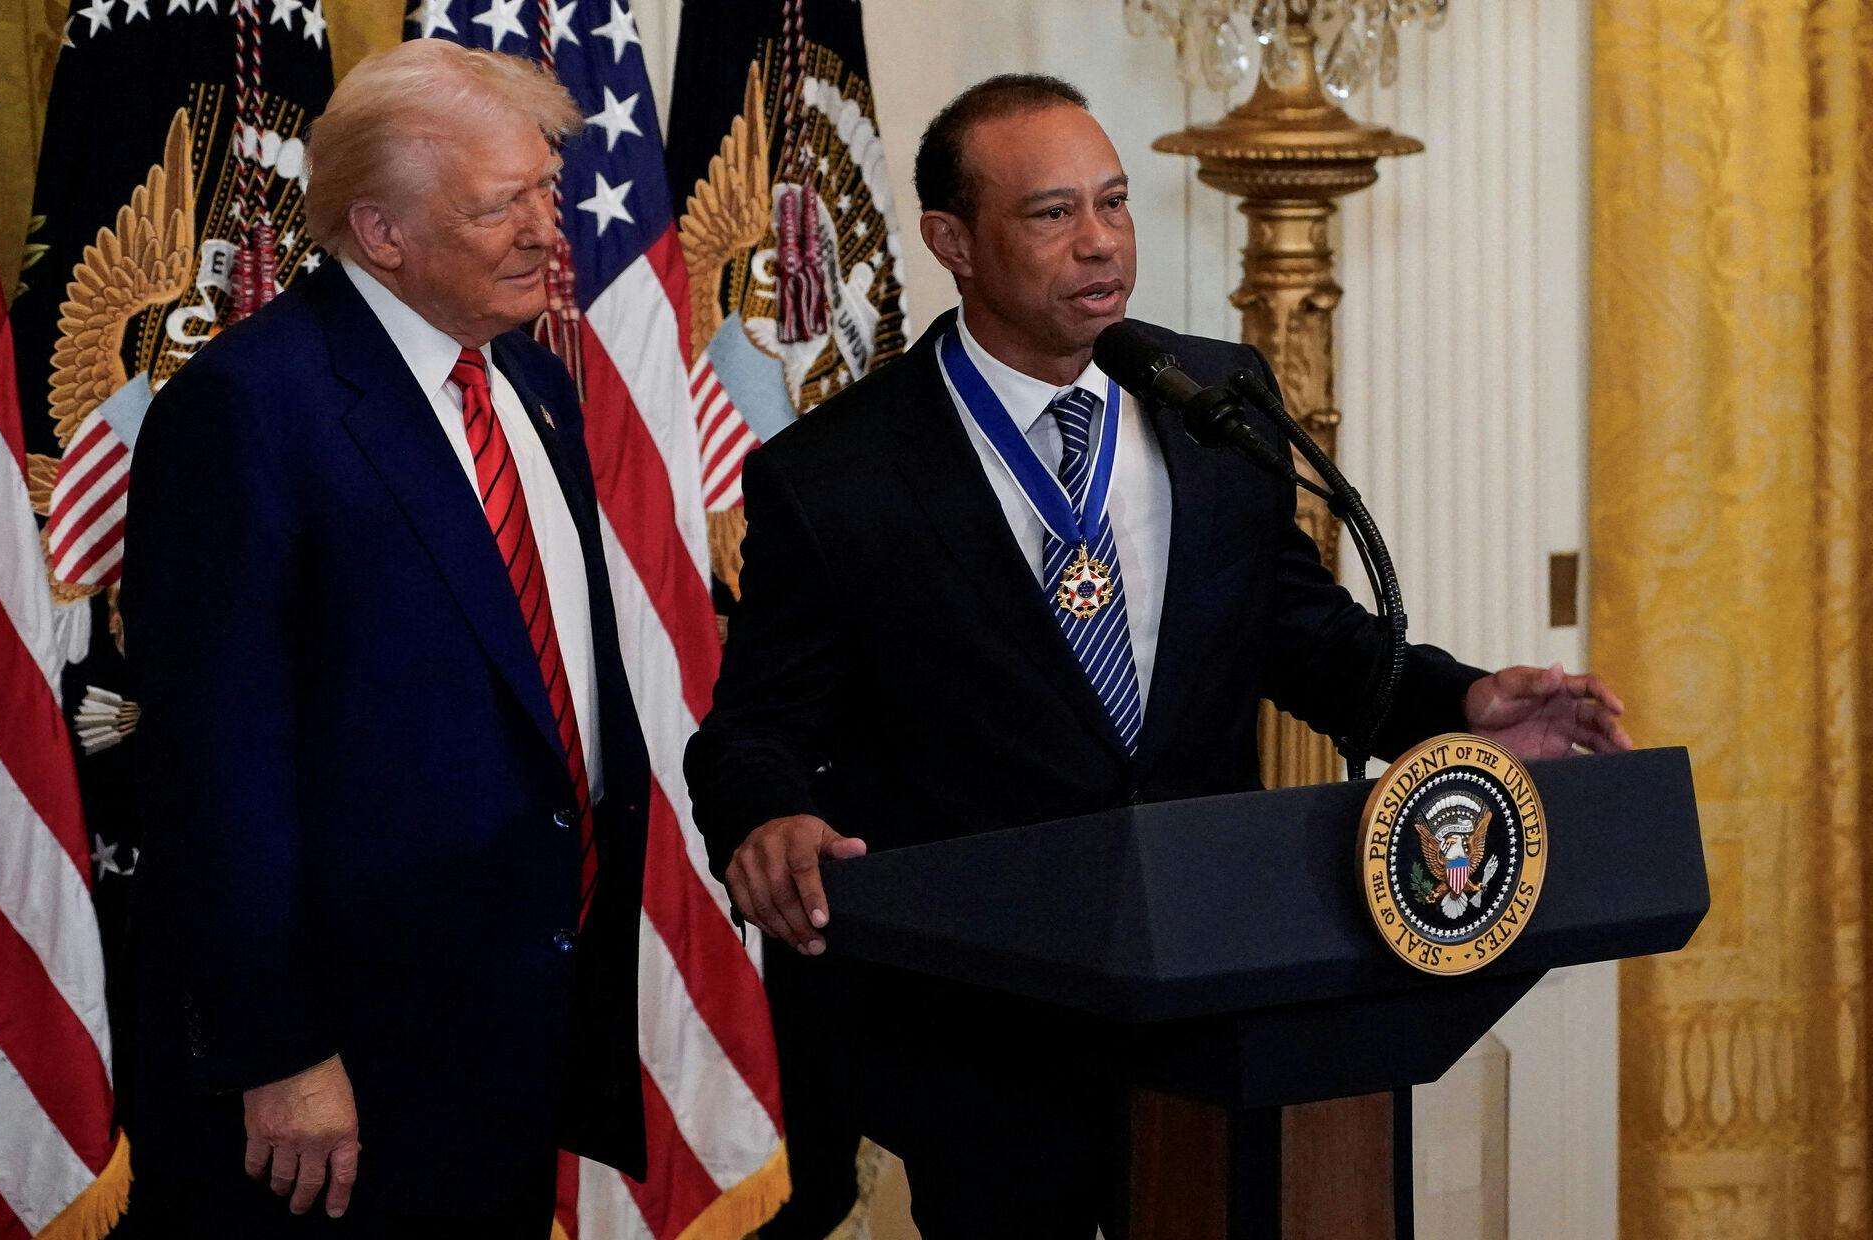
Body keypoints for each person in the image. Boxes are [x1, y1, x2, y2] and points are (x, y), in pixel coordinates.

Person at [683, 74, 1631, 1238]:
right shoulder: (837, 473)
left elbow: (1301, 630)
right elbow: (755, 726)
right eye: (1051, 214)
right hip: (987, 1017)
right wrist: (765, 815)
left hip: (1215, 980)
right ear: (952, 242)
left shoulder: (1210, 395)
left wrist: (1463, 700)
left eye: (1115, 203)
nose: (1100, 244)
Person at [120, 40, 649, 1237]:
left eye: (547, 192)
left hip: (514, 1024)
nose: (545, 232)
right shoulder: (250, 409)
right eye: (499, 206)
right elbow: (214, 769)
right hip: (339, 1077)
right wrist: (281, 1047)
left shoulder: (528, 383)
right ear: (381, 230)